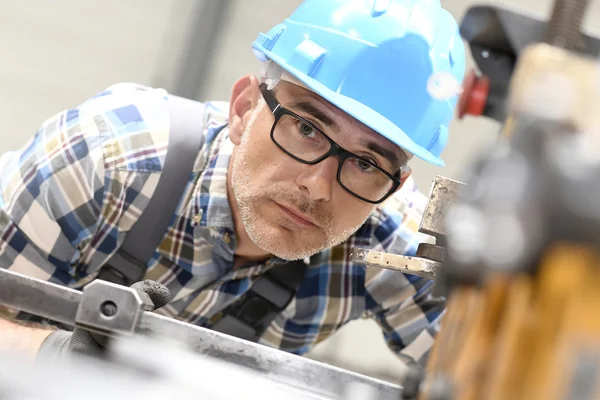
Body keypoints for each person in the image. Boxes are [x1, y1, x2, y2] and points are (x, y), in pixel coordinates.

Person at [0, 0, 465, 370]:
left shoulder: (390, 248)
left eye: (366, 163)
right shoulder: (108, 158)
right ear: (244, 108)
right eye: (306, 129)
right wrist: (55, 358)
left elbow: (492, 377)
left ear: (398, 184)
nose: (320, 186)